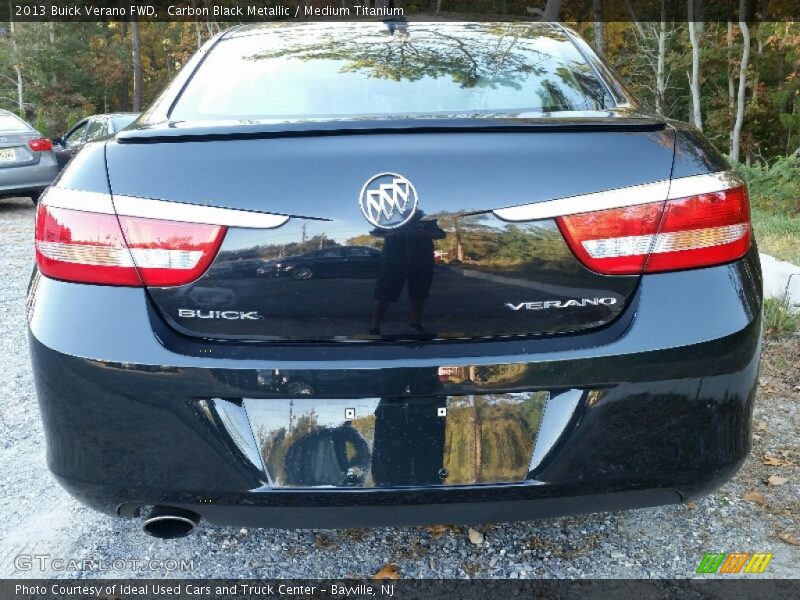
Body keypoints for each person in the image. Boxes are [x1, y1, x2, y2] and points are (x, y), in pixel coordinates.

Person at [369, 211, 446, 335]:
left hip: (420, 264)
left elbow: (441, 235)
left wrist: (425, 234)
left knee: (418, 295)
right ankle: (375, 326)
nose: (411, 217)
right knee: (383, 295)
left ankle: (416, 323)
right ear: (403, 216)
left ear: (419, 216)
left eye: (415, 215)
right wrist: (389, 234)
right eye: (408, 215)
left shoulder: (427, 225)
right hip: (393, 264)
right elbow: (374, 232)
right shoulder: (394, 225)